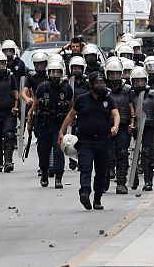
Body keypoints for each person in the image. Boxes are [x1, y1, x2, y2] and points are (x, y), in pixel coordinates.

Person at [60, 72, 120, 210]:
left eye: (102, 83)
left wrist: (115, 126)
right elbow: (71, 115)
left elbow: (116, 113)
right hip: (85, 141)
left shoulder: (108, 99)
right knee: (85, 168)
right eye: (97, 83)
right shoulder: (82, 99)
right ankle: (85, 192)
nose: (101, 85)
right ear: (91, 85)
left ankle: (97, 198)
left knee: (101, 171)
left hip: (103, 141)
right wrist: (61, 131)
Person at [29, 60, 72, 189]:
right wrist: (30, 121)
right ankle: (44, 174)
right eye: (52, 72)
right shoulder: (42, 87)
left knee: (58, 150)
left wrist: (70, 121)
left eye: (57, 72)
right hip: (44, 124)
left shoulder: (66, 88)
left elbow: (71, 106)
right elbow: (35, 105)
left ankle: (58, 177)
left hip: (59, 125)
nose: (55, 75)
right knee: (43, 151)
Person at [129, 67, 154, 192]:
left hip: (149, 127)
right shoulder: (131, 94)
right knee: (131, 153)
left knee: (147, 153)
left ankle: (148, 181)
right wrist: (132, 123)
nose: (139, 83)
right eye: (136, 81)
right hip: (135, 127)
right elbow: (131, 110)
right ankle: (133, 177)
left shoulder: (152, 94)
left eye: (142, 81)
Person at [105, 59, 134, 194]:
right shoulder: (103, 90)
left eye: (117, 74)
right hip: (105, 126)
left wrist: (132, 123)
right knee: (105, 153)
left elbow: (132, 108)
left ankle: (121, 182)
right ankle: (104, 179)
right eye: (112, 74)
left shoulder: (127, 90)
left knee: (122, 153)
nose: (114, 77)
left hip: (123, 126)